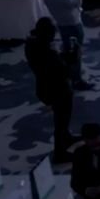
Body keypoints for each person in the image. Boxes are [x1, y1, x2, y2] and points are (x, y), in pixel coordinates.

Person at [25, 17, 77, 162]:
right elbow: (64, 71)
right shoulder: (47, 52)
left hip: (45, 86)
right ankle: (60, 153)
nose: (55, 35)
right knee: (61, 121)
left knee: (61, 119)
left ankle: (67, 138)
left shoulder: (32, 45)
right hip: (58, 90)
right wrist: (72, 57)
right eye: (53, 32)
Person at [41, 0, 92, 90]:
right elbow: (76, 3)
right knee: (76, 52)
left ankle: (69, 73)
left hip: (61, 23)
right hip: (73, 24)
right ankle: (77, 80)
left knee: (67, 50)